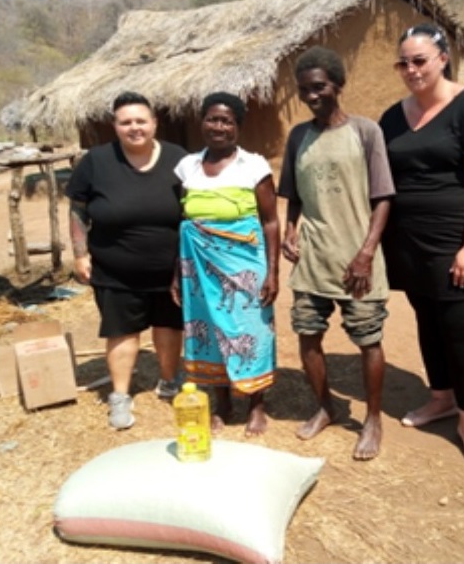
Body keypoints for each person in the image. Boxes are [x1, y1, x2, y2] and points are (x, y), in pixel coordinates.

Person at [379, 24, 464, 468]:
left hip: (458, 240)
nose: (411, 69)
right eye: (404, 62)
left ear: (442, 58)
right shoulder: (393, 116)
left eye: (420, 60)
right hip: (408, 241)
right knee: (428, 319)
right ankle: (442, 398)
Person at [277, 46, 395, 461]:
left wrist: (365, 253)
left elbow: (383, 198)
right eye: (304, 89)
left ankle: (373, 419)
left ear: (338, 86)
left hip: (357, 261)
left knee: (368, 338)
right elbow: (291, 194)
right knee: (308, 333)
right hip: (313, 258)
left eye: (319, 87)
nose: (311, 96)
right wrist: (291, 228)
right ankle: (325, 406)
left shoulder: (365, 132)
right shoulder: (298, 136)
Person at [66, 91, 187, 430]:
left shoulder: (179, 158)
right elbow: (78, 208)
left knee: (169, 326)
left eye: (141, 121)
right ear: (115, 126)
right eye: (126, 122)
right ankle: (120, 396)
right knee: (121, 331)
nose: (134, 128)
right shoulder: (96, 161)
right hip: (114, 267)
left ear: (154, 123)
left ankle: (169, 379)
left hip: (171, 268)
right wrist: (79, 252)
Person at [171, 92, 279, 437]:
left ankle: (256, 404)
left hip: (244, 262)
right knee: (210, 331)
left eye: (227, 121)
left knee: (250, 329)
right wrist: (177, 273)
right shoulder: (187, 166)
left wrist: (273, 271)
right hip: (197, 267)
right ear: (201, 122)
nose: (218, 127)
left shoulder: (254, 166)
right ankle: (223, 404)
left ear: (238, 127)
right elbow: (184, 222)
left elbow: (271, 221)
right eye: (212, 119)